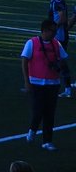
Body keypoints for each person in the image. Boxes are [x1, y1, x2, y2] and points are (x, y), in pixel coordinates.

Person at [21, 17, 68, 151]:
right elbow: (24, 60)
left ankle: (47, 141)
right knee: (38, 110)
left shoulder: (56, 44)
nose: (54, 33)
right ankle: (32, 130)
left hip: (53, 83)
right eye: (52, 31)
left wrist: (58, 65)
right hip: (36, 83)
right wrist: (27, 81)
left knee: (50, 112)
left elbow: (64, 59)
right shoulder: (32, 43)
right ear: (44, 31)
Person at [44, 0, 72, 97]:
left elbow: (62, 18)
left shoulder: (57, 2)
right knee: (53, 60)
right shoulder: (55, 2)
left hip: (59, 37)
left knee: (60, 62)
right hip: (57, 36)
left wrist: (53, 29)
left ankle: (67, 89)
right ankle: (54, 85)